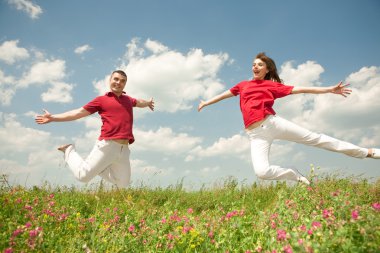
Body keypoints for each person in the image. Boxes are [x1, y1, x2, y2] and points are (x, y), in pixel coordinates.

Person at [198, 52, 379, 185]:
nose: (255, 67)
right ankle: (292, 174)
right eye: (254, 64)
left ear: (267, 69)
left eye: (260, 65)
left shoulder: (271, 85)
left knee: (316, 139)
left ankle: (367, 152)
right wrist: (206, 102)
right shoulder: (242, 85)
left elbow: (300, 89)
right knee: (262, 172)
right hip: (255, 134)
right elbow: (225, 94)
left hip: (272, 123)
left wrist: (329, 89)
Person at [35, 70, 154, 188]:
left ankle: (100, 168)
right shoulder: (101, 100)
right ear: (110, 80)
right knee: (83, 176)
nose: (118, 82)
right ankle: (69, 150)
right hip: (107, 145)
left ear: (125, 84)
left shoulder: (128, 100)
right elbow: (78, 113)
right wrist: (53, 118)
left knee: (123, 185)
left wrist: (148, 102)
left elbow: (139, 102)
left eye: (122, 81)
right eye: (116, 79)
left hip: (124, 149)